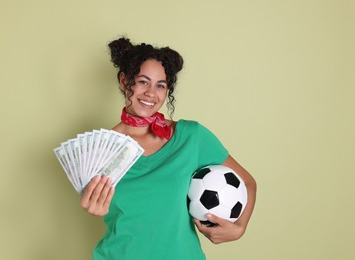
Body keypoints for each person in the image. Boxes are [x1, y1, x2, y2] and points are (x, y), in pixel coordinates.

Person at [80, 37, 257, 260]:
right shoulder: (98, 149)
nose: (151, 93)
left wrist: (239, 227)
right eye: (143, 81)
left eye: (160, 85)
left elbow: (248, 182)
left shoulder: (191, 137)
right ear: (124, 81)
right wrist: (93, 208)